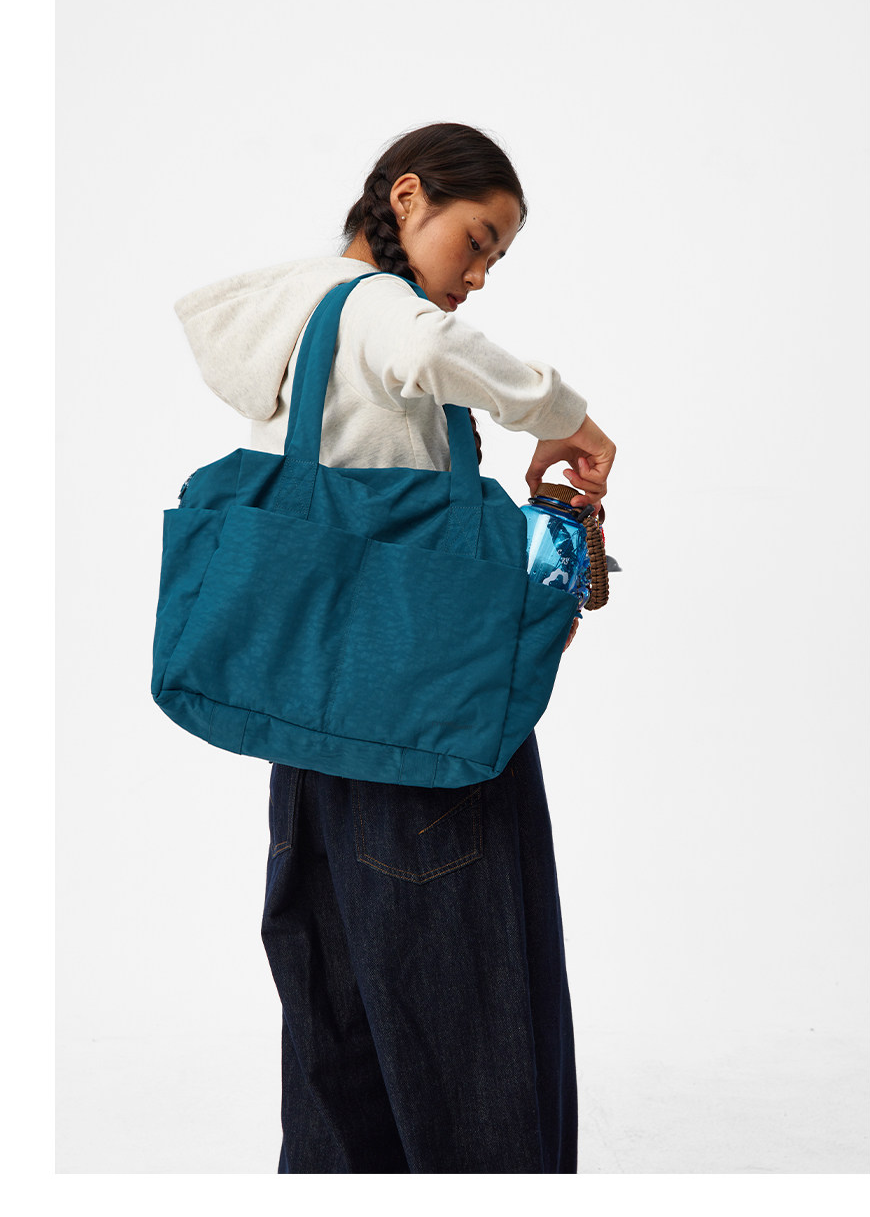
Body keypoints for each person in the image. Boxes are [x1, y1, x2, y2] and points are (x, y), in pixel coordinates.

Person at [174, 122, 616, 1173]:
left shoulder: (301, 315)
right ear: (407, 197)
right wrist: (568, 416)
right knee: (470, 1015)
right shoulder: (376, 307)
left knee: (338, 1016)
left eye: (497, 258)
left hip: (314, 722)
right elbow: (424, 346)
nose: (479, 275)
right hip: (418, 720)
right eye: (477, 240)